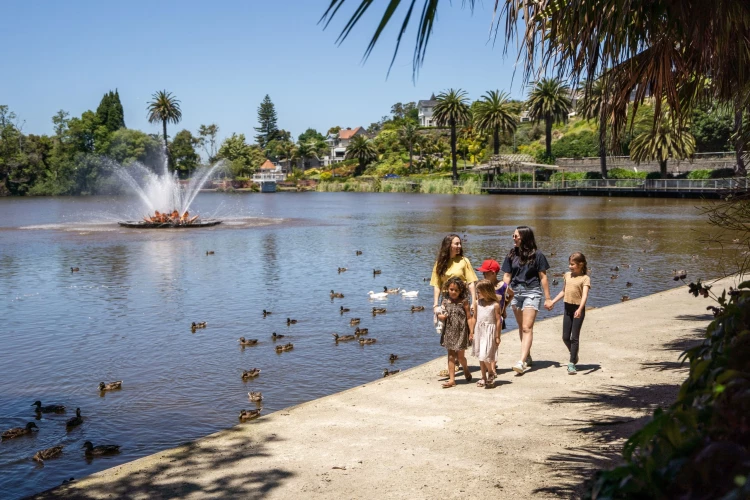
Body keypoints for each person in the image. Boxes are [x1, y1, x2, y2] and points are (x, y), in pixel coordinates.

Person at [501, 226, 552, 375]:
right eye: (513, 235)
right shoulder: (511, 254)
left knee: (527, 327)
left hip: (532, 291)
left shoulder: (538, 255)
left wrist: (548, 298)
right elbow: (507, 275)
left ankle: (521, 361)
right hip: (515, 292)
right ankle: (527, 355)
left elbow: (543, 277)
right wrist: (504, 292)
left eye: (516, 236)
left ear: (525, 237)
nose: (514, 238)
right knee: (521, 326)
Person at [547, 252, 591, 374]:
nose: (570, 266)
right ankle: (574, 354)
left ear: (580, 264)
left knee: (574, 337)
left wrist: (580, 309)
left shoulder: (585, 278)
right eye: (569, 264)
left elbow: (585, 296)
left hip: (578, 309)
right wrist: (553, 302)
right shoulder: (567, 275)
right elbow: (563, 291)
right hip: (567, 309)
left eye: (572, 264)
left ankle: (571, 363)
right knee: (565, 337)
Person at [436, 276, 474, 388]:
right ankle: (452, 379)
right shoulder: (445, 301)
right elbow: (441, 314)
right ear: (448, 289)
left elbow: (469, 317)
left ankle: (466, 369)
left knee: (460, 356)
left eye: (456, 290)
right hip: (449, 331)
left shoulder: (464, 302)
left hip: (461, 331)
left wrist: (471, 332)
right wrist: (441, 317)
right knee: (451, 355)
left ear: (461, 291)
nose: (453, 292)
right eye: (451, 289)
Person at [430, 234, 478, 317]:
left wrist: (473, 302)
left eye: (460, 244)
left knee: (462, 324)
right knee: (447, 325)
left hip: (462, 298)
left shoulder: (464, 261)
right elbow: (437, 285)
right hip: (446, 299)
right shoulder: (439, 263)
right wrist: (435, 305)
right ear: (448, 245)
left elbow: (471, 283)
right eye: (456, 244)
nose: (459, 246)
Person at [471, 280, 502, 388]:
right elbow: (474, 317)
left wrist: (498, 336)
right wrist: (471, 331)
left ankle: (491, 372)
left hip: (490, 331)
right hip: (479, 330)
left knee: (486, 355)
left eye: (479, 292)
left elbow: (498, 320)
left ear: (486, 291)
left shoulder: (495, 305)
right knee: (480, 355)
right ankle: (483, 376)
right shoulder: (477, 303)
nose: (477, 294)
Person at [475, 259, 514, 329]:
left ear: (493, 273)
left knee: (496, 338)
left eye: (485, 273)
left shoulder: (503, 286)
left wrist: (504, 307)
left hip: (497, 318)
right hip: (483, 318)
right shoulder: (483, 285)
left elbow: (512, 294)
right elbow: (477, 299)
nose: (483, 274)